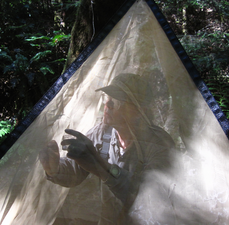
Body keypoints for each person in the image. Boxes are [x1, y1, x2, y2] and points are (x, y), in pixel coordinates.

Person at [39, 73, 176, 224]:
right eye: (107, 97)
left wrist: (102, 167)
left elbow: (150, 198)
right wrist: (55, 168)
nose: (108, 104)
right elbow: (75, 171)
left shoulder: (158, 143)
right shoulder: (102, 132)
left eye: (117, 101)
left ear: (139, 110)